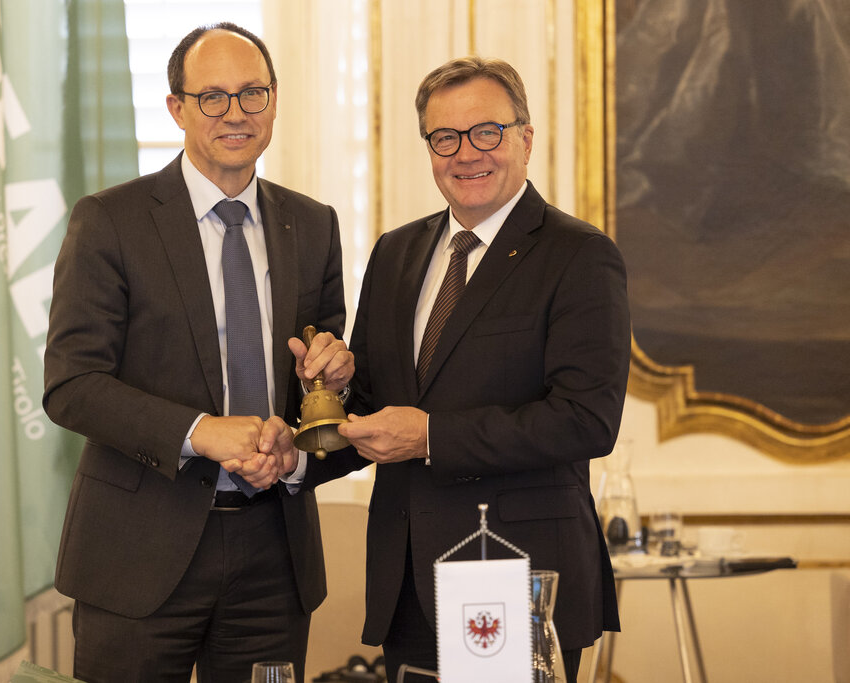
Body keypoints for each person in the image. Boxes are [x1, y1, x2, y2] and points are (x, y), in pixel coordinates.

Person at [43, 22, 353, 683]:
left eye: (252, 94)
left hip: (275, 555)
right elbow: (71, 383)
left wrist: (317, 411)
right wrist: (200, 432)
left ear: (274, 101)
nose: (235, 113)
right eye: (212, 96)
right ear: (176, 108)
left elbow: (324, 392)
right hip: (137, 552)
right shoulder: (110, 221)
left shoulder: (314, 224)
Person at [318, 56, 631, 683]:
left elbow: (586, 421)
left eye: (486, 131)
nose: (467, 154)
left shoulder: (580, 256)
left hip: (518, 575)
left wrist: (432, 437)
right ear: (429, 148)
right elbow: (381, 404)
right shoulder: (396, 252)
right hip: (408, 580)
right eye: (445, 138)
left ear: (525, 138)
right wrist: (339, 389)